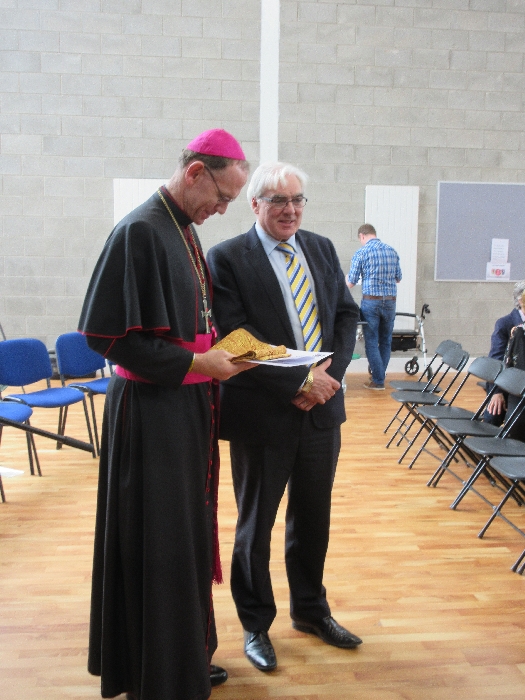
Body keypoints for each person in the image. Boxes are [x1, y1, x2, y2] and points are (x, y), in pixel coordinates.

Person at [78, 129, 254, 700]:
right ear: (196, 172)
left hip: (185, 405)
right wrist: (199, 362)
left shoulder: (182, 229)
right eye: (221, 197)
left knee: (185, 535)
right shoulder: (140, 230)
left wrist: (224, 354)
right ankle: (159, 674)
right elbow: (107, 337)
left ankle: (183, 659)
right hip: (152, 414)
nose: (222, 210)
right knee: (161, 542)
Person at [207, 162, 361, 673]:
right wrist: (298, 381)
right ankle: (256, 625)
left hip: (322, 411)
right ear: (255, 205)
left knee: (313, 517)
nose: (290, 210)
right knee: (256, 524)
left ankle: (311, 611)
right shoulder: (226, 257)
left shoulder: (320, 247)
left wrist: (327, 377)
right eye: (278, 200)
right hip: (262, 413)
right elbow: (235, 334)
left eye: (297, 200)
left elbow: (345, 315)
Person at [347, 224, 402, 390]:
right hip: (390, 301)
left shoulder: (361, 252)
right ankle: (379, 376)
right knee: (386, 341)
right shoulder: (392, 251)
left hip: (371, 302)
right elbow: (398, 278)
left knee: (371, 341)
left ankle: (378, 380)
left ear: (362, 236)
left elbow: (351, 281)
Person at [484, 280, 525, 426]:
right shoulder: (505, 324)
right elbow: (496, 361)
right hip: (507, 385)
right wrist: (497, 392)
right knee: (493, 416)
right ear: (520, 301)